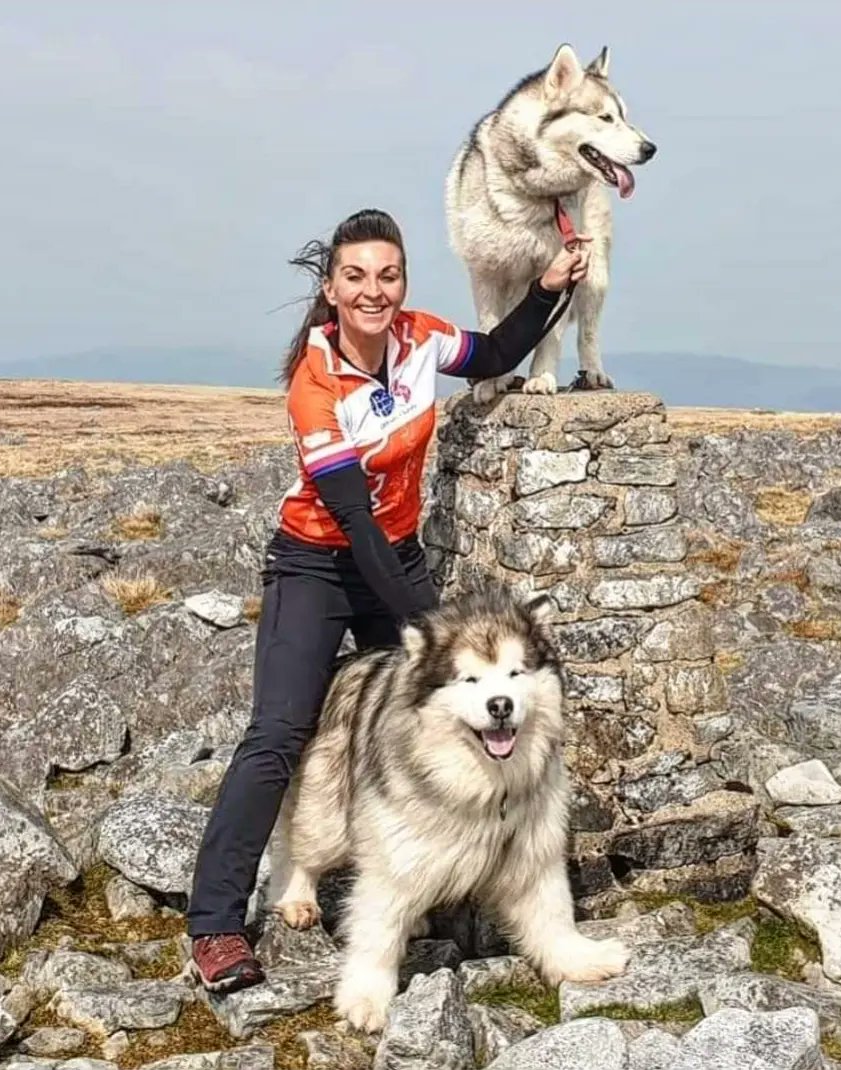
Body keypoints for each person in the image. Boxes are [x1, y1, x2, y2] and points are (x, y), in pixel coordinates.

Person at [186, 206, 591, 991]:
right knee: (279, 733)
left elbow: (498, 353)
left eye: (389, 274)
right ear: (332, 289)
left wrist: (546, 289)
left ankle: (445, 873)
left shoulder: (421, 337)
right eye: (356, 276)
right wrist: (428, 624)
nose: (375, 290)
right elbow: (352, 519)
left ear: (403, 281)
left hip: (395, 556)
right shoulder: (314, 383)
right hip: (318, 564)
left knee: (440, 719)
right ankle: (215, 925)